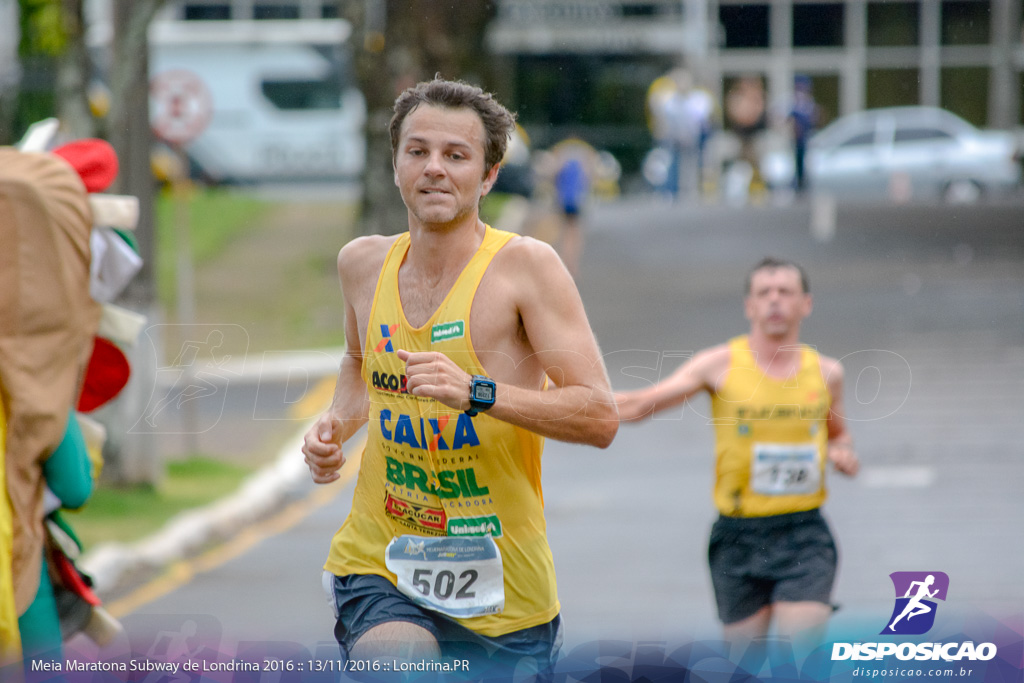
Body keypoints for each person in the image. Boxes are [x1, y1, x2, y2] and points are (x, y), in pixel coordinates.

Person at [302, 78, 618, 678]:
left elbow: (599, 416)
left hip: (505, 591)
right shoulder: (361, 264)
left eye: (456, 155)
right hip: (382, 558)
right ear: (395, 165)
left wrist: (478, 393)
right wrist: (335, 428)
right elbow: (357, 362)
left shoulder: (526, 268)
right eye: (417, 152)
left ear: (489, 175)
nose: (434, 170)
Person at [615, 257, 858, 648]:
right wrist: (560, 403)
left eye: (785, 292)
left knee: (801, 660)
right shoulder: (719, 365)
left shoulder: (826, 373)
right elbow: (640, 405)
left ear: (805, 304)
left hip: (804, 534)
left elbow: (839, 434)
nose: (774, 301)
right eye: (764, 293)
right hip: (738, 535)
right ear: (749, 306)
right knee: (743, 667)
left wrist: (843, 452)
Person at [788, 75, 820, 193]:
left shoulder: (807, 103)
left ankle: (802, 182)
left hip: (804, 138)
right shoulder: (796, 102)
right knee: (798, 160)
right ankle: (799, 182)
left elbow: (813, 117)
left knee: (804, 160)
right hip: (798, 139)